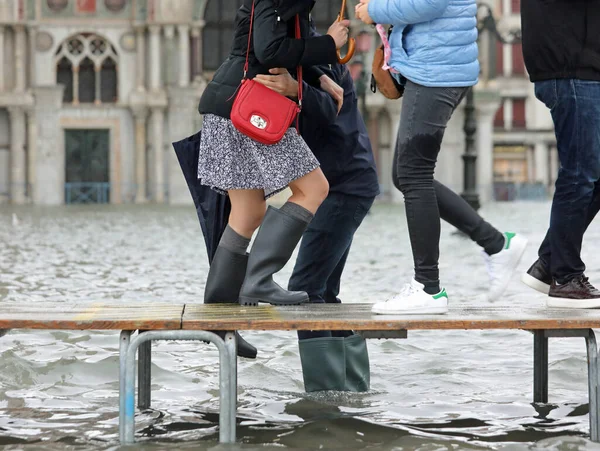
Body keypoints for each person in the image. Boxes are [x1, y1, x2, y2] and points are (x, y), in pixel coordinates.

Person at [197, 0, 350, 358]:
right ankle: (259, 282)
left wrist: (317, 74)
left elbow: (267, 47)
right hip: (248, 106)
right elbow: (269, 48)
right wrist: (328, 45)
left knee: (248, 212)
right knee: (314, 188)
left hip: (228, 104)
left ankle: (219, 323)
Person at [355, 0, 528, 315]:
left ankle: (428, 287)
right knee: (406, 175)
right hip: (436, 65)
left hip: (436, 70)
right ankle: (496, 243)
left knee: (412, 174)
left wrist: (376, 11)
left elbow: (428, 3)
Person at [519, 1, 600, 308]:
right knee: (579, 174)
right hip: (570, 65)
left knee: (591, 175)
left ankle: (549, 262)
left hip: (581, 63)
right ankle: (566, 279)